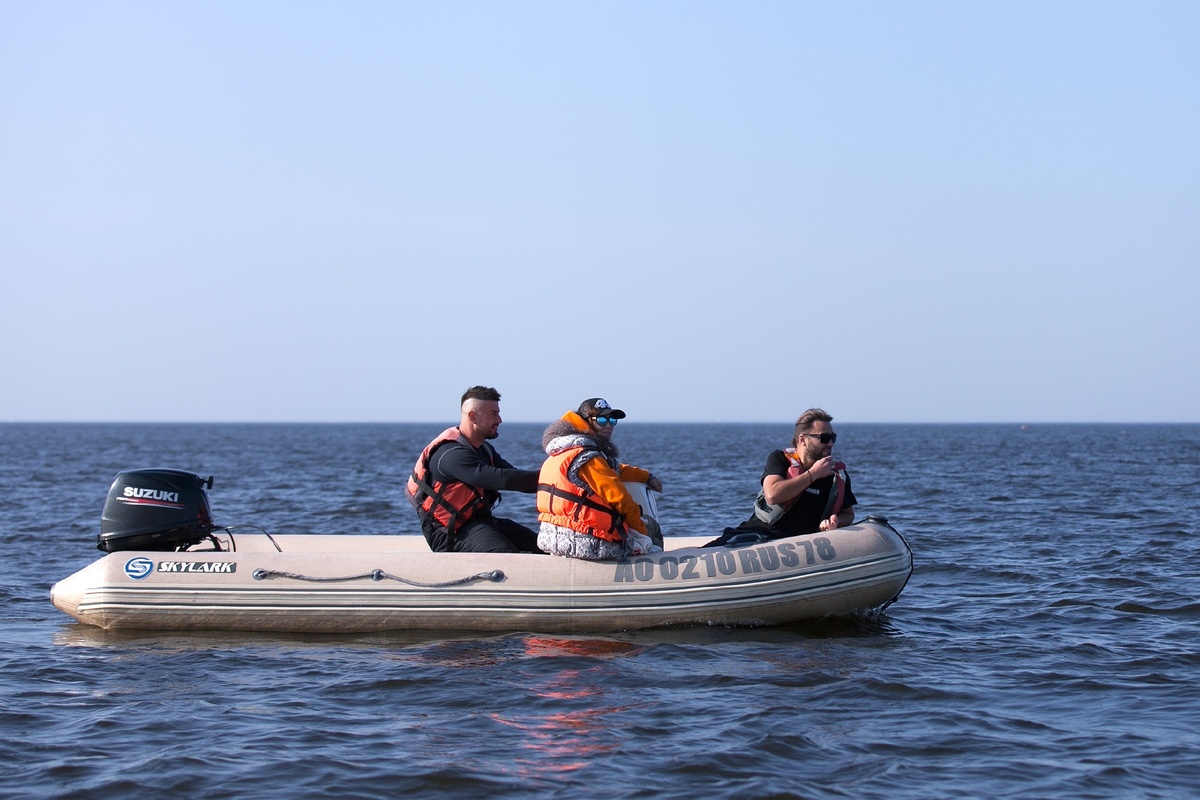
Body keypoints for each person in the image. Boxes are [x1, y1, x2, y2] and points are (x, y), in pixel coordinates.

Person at [406, 386, 541, 553]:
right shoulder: (450, 454)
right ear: (472, 416)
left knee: (542, 547)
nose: (499, 420)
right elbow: (501, 479)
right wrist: (553, 477)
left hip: (480, 522)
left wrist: (566, 483)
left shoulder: (485, 449)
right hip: (450, 533)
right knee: (504, 554)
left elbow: (520, 481)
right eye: (493, 414)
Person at [703, 408, 856, 547]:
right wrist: (813, 474)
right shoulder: (779, 459)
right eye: (824, 438)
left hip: (799, 545)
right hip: (759, 533)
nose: (830, 443)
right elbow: (773, 495)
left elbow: (848, 514)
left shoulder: (836, 475)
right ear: (802, 440)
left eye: (832, 438)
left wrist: (835, 521)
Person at [536, 398, 664, 561]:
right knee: (650, 526)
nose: (609, 425)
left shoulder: (563, 453)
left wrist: (647, 476)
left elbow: (614, 469)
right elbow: (621, 500)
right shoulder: (588, 457)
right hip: (590, 541)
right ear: (585, 421)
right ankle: (659, 566)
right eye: (602, 420)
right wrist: (642, 534)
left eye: (612, 420)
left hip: (555, 538)